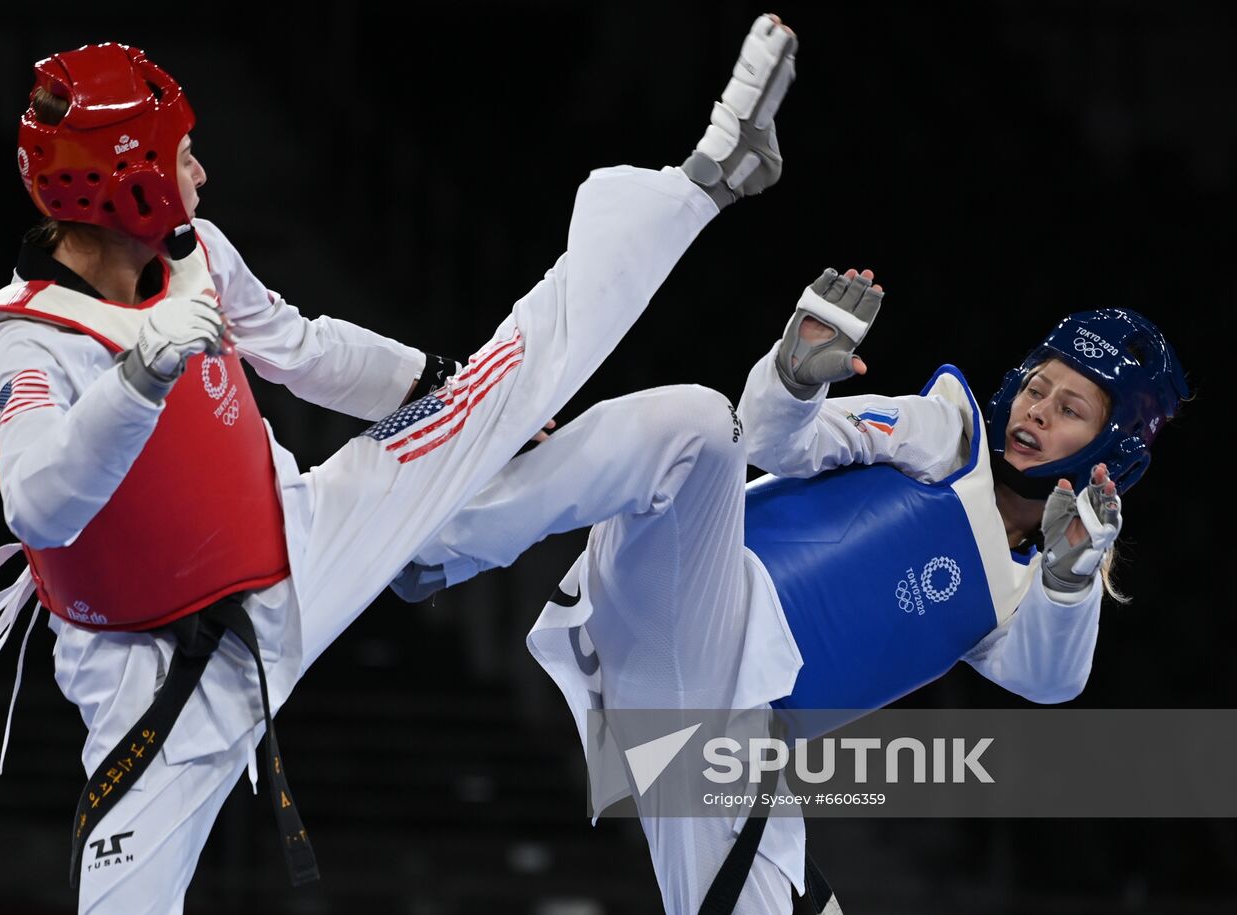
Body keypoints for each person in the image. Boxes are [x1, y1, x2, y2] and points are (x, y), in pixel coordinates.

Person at [0, 16, 800, 913]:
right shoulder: (29, 337)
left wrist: (437, 384)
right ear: (127, 184)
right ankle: (447, 539)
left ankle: (706, 176)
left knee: (591, 401)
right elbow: (39, 506)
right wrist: (139, 375)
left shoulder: (195, 253)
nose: (199, 172)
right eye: (182, 156)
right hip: (165, 676)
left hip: (306, 537)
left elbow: (303, 349)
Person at [391, 267, 1188, 913]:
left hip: (716, 741)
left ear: (1110, 446)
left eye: (1070, 408)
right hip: (686, 595)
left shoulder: (1021, 596)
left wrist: (1069, 573)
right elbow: (775, 438)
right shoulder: (942, 435)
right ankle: (428, 545)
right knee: (700, 426)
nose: (1037, 410)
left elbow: (1050, 679)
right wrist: (792, 378)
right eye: (1038, 387)